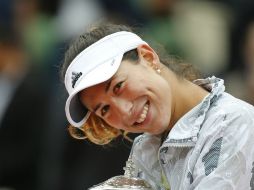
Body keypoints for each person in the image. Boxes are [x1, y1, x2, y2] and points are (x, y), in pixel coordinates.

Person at [60, 23, 254, 190]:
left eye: (118, 86)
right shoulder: (145, 149)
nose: (125, 111)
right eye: (104, 109)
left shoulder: (233, 122)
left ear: (148, 57)